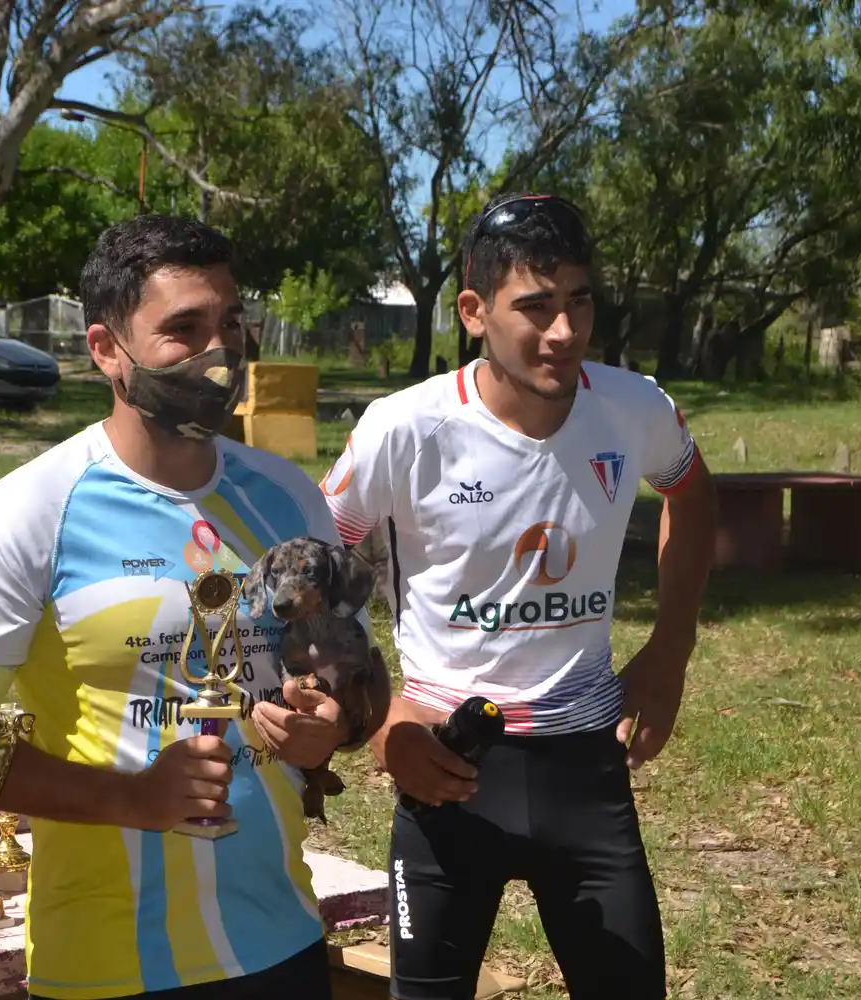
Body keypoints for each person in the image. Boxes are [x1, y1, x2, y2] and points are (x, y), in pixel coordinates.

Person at [0, 214, 390, 1000]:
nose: (220, 352)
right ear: (107, 349)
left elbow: (358, 677)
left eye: (231, 322)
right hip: (108, 963)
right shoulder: (28, 512)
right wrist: (129, 800)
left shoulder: (287, 495)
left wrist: (331, 725)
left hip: (284, 942)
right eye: (184, 329)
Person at [320, 192, 717, 1000]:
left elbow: (693, 491)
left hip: (583, 762)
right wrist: (383, 721)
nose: (564, 331)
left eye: (580, 302)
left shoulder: (630, 405)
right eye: (535, 306)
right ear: (474, 311)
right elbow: (318, 573)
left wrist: (671, 649)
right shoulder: (407, 428)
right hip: (445, 764)